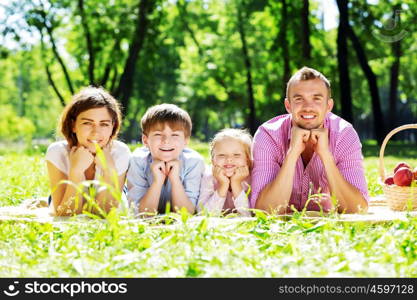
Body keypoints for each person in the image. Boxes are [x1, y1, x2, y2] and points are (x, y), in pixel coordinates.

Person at [251, 67, 369, 214]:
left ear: (329, 106)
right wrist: (292, 154)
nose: (308, 107)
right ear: (288, 106)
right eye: (299, 99)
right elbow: (263, 212)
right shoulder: (268, 135)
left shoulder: (344, 134)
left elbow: (357, 209)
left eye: (317, 99)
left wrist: (326, 156)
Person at [45, 86, 131, 216]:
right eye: (87, 123)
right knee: (54, 205)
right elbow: (66, 214)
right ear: (73, 125)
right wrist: (76, 172)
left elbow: (103, 215)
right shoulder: (57, 151)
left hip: (117, 191)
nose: (96, 132)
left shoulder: (120, 152)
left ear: (112, 127)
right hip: (62, 197)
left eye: (104, 124)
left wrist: (109, 171)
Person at [127, 104, 205, 215]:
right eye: (158, 134)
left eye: (175, 135)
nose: (166, 141)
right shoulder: (138, 160)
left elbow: (186, 214)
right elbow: (142, 215)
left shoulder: (194, 162)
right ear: (145, 140)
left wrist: (175, 180)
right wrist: (157, 182)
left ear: (186, 141)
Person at [197, 128, 252, 216]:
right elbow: (203, 214)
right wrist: (222, 186)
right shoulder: (209, 177)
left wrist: (236, 184)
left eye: (236, 155)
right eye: (222, 155)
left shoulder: (252, 178)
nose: (229, 159)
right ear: (213, 161)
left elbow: (248, 215)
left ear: (248, 160)